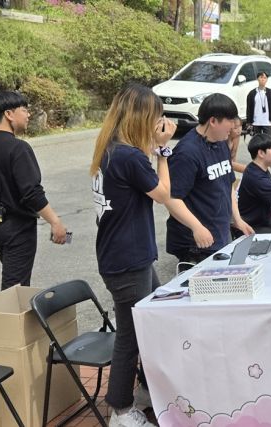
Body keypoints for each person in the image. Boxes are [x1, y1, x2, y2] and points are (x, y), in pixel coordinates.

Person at [90, 83, 176, 427]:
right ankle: (121, 409)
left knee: (148, 324)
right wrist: (163, 150)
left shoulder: (110, 149)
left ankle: (140, 391)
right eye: (156, 118)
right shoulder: (128, 156)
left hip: (126, 255)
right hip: (126, 260)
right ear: (142, 118)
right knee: (132, 334)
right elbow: (165, 193)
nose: (160, 123)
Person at [0, 91, 68, 290]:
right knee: (15, 289)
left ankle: (15, 318)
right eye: (24, 110)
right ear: (9, 114)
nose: (28, 115)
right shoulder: (18, 148)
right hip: (17, 228)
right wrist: (55, 222)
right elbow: (31, 192)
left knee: (14, 280)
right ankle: (10, 320)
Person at [166, 93, 253, 270]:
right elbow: (172, 198)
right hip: (195, 243)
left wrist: (236, 219)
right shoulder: (186, 153)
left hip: (219, 234)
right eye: (229, 122)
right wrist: (196, 227)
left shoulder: (221, 142)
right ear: (213, 121)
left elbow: (228, 185)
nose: (234, 128)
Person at [245, 71, 271, 137]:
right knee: (256, 142)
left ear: (267, 79)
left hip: (268, 122)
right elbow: (249, 108)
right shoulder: (252, 93)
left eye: (265, 78)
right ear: (257, 79)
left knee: (270, 141)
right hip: (256, 122)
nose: (263, 79)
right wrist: (249, 122)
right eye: (261, 77)